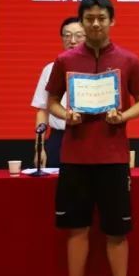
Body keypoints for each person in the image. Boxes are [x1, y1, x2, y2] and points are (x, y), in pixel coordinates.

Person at [45, 0, 139, 276]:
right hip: (75, 156)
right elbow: (52, 101)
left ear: (111, 21)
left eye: (101, 18)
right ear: (82, 21)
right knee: (76, 228)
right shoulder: (65, 60)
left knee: (117, 230)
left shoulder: (128, 59)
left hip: (113, 157)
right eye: (89, 18)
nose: (95, 24)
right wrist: (66, 114)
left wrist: (123, 116)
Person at [30, 16, 85, 168]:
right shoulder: (50, 69)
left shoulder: (98, 68)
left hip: (89, 138)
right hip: (59, 138)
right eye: (67, 35)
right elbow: (42, 111)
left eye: (78, 35)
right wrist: (39, 148)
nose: (72, 41)